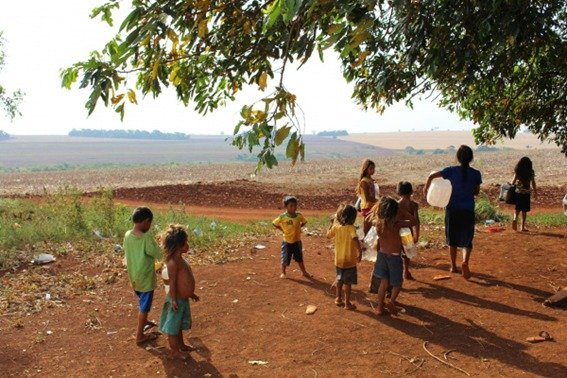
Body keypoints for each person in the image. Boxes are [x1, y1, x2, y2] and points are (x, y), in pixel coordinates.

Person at [424, 145, 482, 280]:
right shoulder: (476, 174)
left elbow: (432, 175)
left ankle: (453, 266)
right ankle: (465, 262)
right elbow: (477, 192)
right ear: (471, 158)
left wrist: (426, 187)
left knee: (452, 238)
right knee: (467, 238)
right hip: (468, 209)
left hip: (452, 208)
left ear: (457, 157)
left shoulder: (451, 171)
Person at [159, 224, 200, 360]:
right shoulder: (173, 263)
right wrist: (174, 300)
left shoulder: (181, 260)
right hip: (175, 300)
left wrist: (191, 294)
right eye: (186, 242)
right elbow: (172, 283)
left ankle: (181, 345)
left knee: (179, 325)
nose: (188, 245)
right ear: (179, 245)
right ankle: (174, 351)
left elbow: (184, 281)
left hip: (182, 299)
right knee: (173, 327)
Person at [124, 207, 162, 345]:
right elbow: (158, 253)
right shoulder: (146, 238)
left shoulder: (128, 235)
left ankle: (144, 321)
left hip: (134, 276)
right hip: (145, 278)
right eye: (150, 223)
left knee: (142, 301)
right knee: (144, 307)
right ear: (146, 221)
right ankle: (139, 335)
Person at [372, 197, 416, 316]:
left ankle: (379, 308)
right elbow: (413, 221)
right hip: (394, 257)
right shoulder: (397, 225)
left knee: (384, 283)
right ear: (395, 211)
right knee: (397, 283)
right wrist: (402, 211)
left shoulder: (378, 223)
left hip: (382, 255)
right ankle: (391, 301)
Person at [327, 204, 363, 310]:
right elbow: (355, 239)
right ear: (352, 218)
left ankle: (338, 298)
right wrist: (360, 252)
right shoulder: (351, 228)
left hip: (338, 260)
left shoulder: (336, 227)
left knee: (339, 279)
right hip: (349, 260)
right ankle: (347, 303)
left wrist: (331, 224)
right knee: (348, 282)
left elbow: (328, 235)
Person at [273, 196, 311, 279]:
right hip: (287, 241)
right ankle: (283, 272)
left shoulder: (299, 215)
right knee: (285, 257)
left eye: (295, 205)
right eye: (291, 206)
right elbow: (275, 223)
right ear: (286, 207)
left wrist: (299, 227)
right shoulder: (283, 217)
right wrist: (282, 230)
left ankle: (304, 272)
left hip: (297, 241)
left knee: (299, 258)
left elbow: (304, 221)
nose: (293, 207)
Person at [397, 181, 420, 280]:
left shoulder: (397, 204)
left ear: (398, 192)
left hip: (397, 231)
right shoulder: (414, 205)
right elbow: (417, 221)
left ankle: (396, 273)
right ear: (411, 192)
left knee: (397, 252)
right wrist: (417, 235)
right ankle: (406, 271)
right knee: (407, 254)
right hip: (408, 232)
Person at [511, 157, 537, 232]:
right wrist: (535, 192)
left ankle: (515, 219)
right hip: (526, 192)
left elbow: (513, 181)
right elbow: (533, 182)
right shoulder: (531, 171)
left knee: (517, 208)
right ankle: (522, 227)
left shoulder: (518, 170)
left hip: (518, 192)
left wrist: (511, 187)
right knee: (524, 210)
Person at [356, 159, 378, 235]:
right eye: (371, 168)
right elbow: (367, 197)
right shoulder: (364, 182)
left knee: (373, 227)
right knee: (367, 229)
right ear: (365, 169)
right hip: (367, 207)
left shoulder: (372, 180)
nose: (373, 170)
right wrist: (378, 201)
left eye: (374, 168)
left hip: (373, 206)